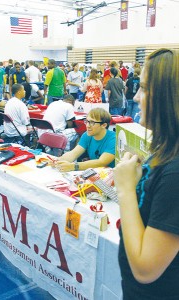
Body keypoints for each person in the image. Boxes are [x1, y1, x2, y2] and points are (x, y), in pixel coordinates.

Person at [114, 48, 179, 300]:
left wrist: (125, 189)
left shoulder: (175, 171)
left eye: (145, 88)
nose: (137, 97)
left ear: (167, 97)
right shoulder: (164, 150)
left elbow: (145, 269)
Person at [54, 107, 116, 172]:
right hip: (96, 173)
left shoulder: (113, 139)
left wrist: (73, 166)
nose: (87, 126)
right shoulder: (87, 135)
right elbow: (73, 154)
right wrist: (58, 161)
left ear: (104, 125)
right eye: (87, 121)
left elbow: (102, 162)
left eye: (92, 122)